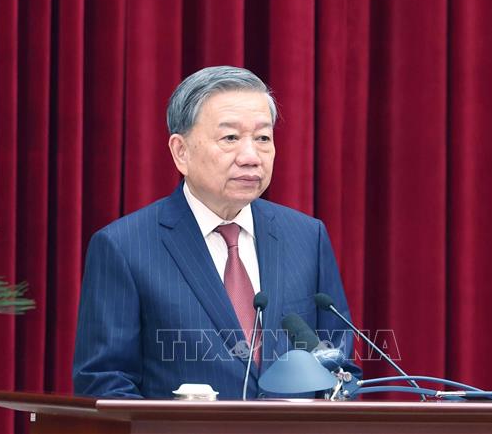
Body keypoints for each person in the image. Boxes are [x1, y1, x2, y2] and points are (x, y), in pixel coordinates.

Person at [73, 66, 356, 399]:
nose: (251, 157)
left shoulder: (307, 237)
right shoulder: (124, 247)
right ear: (181, 151)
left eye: (263, 138)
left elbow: (340, 368)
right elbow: (105, 382)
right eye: (230, 138)